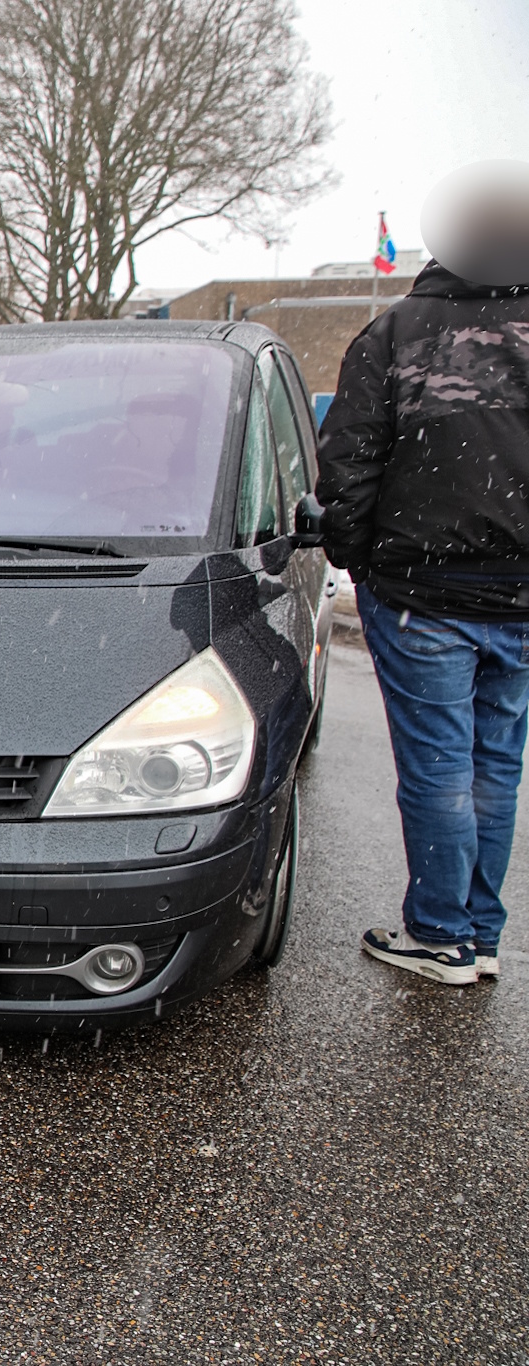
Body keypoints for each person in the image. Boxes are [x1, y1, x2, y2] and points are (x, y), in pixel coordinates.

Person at [316, 158, 529, 987]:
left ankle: (441, 933)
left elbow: (351, 459)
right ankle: (479, 932)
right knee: (495, 763)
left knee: (439, 765)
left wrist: (355, 553)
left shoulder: (399, 333)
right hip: (517, 592)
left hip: (421, 590)